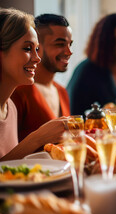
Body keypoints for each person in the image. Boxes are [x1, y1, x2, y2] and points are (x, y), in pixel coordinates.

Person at [0, 8, 66, 160]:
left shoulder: (10, 107)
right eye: (28, 48)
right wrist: (37, 138)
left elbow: (12, 170)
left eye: (37, 49)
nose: (37, 58)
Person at [11, 14, 72, 142]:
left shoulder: (62, 91)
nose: (68, 52)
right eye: (60, 44)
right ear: (37, 46)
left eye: (69, 44)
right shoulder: (18, 92)